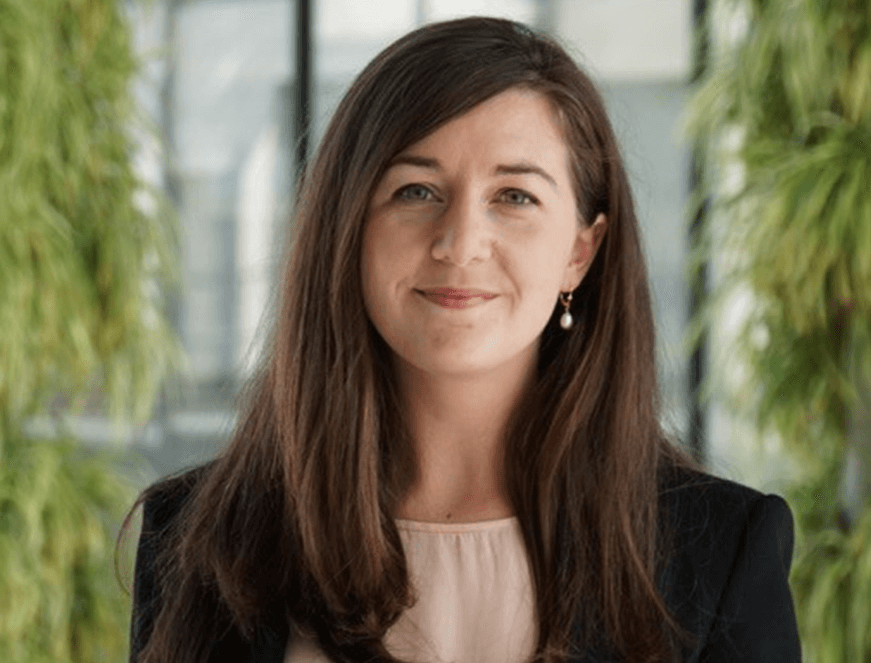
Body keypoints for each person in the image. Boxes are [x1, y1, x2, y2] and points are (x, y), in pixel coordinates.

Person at [125, 16, 801, 663]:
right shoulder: (195, 540)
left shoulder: (718, 555)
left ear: (580, 251)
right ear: (348, 229)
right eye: (416, 191)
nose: (459, 244)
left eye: (514, 197)